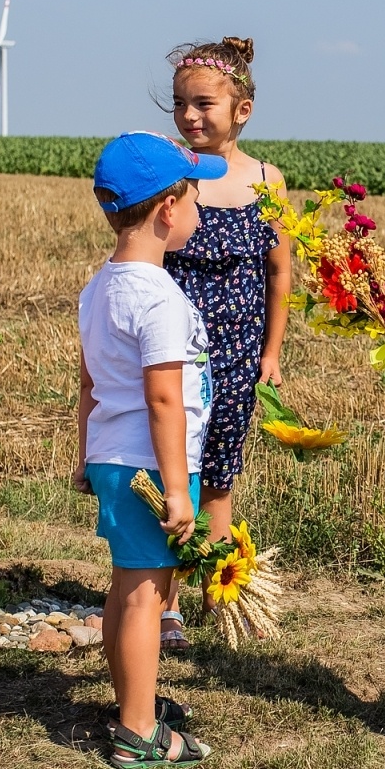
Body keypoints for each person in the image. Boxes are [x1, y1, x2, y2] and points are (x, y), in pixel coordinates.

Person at [75, 131, 225, 769]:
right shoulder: (160, 298)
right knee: (145, 595)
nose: (197, 211)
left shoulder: (99, 288)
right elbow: (164, 400)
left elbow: (86, 383)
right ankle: (138, 731)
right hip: (150, 465)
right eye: (193, 198)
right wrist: (173, 488)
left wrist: (84, 457)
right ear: (167, 209)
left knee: (126, 588)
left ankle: (131, 699)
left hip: (114, 454)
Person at [157, 37, 293, 650]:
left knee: (219, 470)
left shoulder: (267, 181)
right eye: (181, 104)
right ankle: (164, 602)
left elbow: (279, 271)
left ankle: (218, 588)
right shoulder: (171, 172)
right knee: (169, 468)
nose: (190, 116)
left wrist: (272, 351)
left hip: (237, 349)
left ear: (243, 110)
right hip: (175, 350)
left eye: (204, 103)